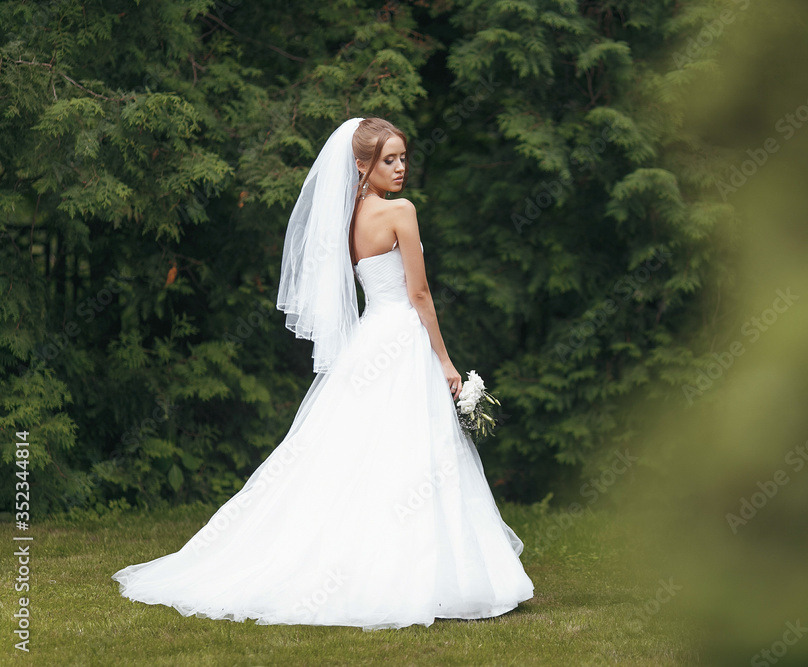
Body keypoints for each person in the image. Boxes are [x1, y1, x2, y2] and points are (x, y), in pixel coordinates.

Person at [111, 117, 534, 631]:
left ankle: (367, 567)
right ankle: (420, 575)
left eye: (403, 158)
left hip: (369, 341)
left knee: (357, 453)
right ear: (363, 165)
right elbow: (420, 296)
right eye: (389, 160)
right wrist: (445, 361)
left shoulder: (347, 217)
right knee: (413, 454)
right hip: (401, 339)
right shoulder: (401, 212)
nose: (400, 169)